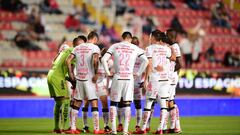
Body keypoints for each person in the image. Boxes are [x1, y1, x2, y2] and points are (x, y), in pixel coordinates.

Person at [101, 32, 149, 135]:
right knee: (127, 104)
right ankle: (125, 131)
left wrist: (108, 72)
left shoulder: (115, 46)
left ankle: (113, 130)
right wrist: (138, 73)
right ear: (130, 39)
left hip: (117, 77)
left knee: (114, 103)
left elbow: (104, 59)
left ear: (122, 38)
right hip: (129, 78)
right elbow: (145, 61)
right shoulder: (135, 48)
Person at [134, 30, 176, 134]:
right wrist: (171, 48)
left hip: (155, 78)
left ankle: (143, 129)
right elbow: (174, 58)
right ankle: (160, 129)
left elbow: (149, 64)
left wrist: (146, 79)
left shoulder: (149, 48)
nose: (149, 38)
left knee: (148, 102)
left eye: (150, 36)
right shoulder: (166, 49)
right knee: (163, 104)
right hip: (165, 79)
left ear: (153, 37)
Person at [65, 31, 105, 134]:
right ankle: (96, 129)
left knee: (77, 102)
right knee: (94, 102)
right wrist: (96, 73)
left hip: (79, 78)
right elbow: (95, 60)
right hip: (89, 79)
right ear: (95, 39)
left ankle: (73, 128)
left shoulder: (78, 47)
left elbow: (68, 60)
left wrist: (71, 74)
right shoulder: (94, 47)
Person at [47, 37, 83, 134]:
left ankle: (56, 128)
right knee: (66, 101)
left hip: (51, 75)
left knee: (59, 103)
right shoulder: (74, 52)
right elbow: (70, 70)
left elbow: (55, 61)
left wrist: (71, 81)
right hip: (58, 77)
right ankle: (64, 129)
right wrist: (74, 81)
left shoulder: (66, 50)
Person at [81, 47, 113, 134]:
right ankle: (85, 126)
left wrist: (106, 86)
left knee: (105, 104)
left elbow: (107, 74)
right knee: (86, 104)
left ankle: (106, 125)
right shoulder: (94, 60)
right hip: (90, 84)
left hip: (100, 84)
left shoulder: (109, 62)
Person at [165, 29, 182, 133]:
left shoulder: (175, 46)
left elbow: (179, 64)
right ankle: (176, 126)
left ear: (170, 36)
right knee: (171, 101)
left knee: (169, 101)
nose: (165, 37)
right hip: (171, 76)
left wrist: (172, 73)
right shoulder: (171, 46)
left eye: (167, 35)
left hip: (171, 77)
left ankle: (174, 127)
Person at [131, 37, 144, 132]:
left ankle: (120, 125)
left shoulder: (128, 51)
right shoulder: (142, 52)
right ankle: (138, 125)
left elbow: (148, 66)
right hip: (136, 81)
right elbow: (148, 66)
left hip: (129, 81)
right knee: (137, 104)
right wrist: (143, 79)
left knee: (123, 103)